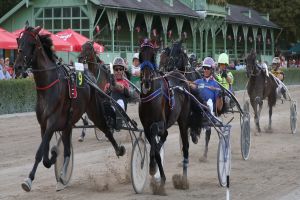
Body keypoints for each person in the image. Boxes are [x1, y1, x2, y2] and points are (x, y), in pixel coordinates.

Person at [188, 57, 223, 144]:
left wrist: (220, 96)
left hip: (209, 111)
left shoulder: (215, 85)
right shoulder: (199, 81)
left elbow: (219, 107)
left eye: (208, 68)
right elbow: (191, 85)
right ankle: (194, 132)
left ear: (212, 69)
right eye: (204, 68)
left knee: (209, 103)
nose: (205, 70)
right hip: (198, 109)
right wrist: (185, 82)